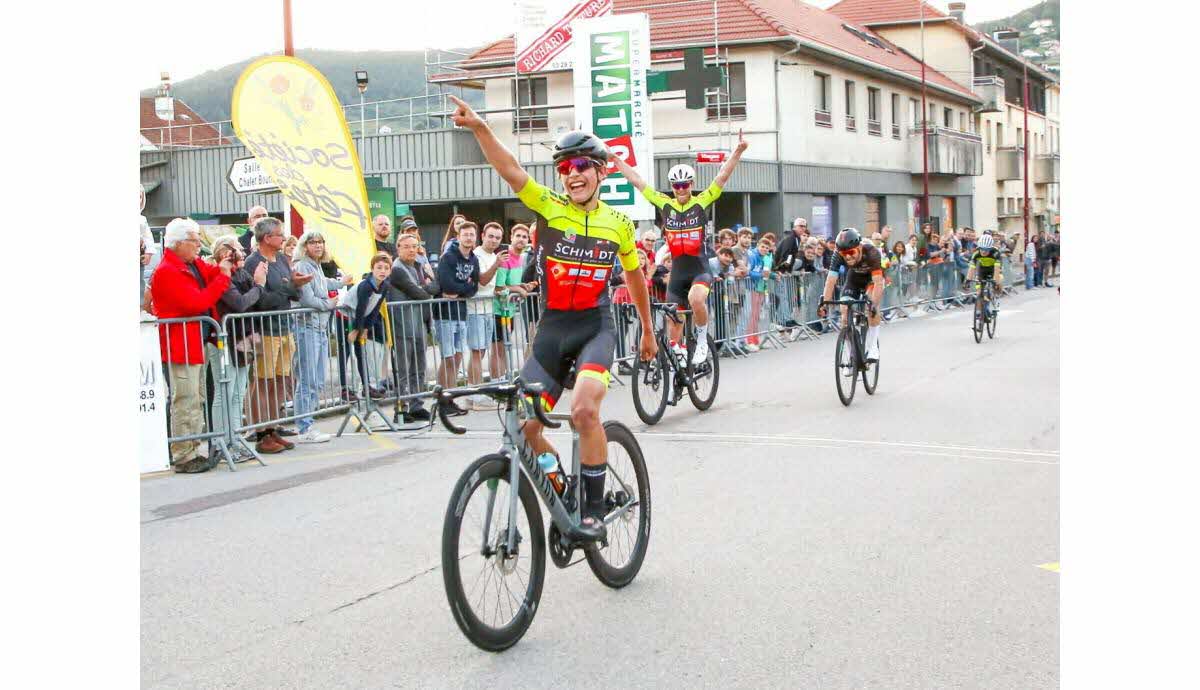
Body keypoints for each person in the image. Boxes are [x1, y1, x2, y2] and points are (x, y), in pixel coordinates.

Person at [450, 95, 655, 541]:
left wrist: (648, 331)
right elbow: (509, 169)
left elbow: (636, 280)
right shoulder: (547, 206)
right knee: (525, 428)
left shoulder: (619, 223)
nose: (573, 174)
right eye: (565, 168)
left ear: (601, 171)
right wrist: (481, 127)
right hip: (553, 330)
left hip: (594, 329)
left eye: (582, 165)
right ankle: (559, 480)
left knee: (583, 410)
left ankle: (594, 511)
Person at [611, 129, 749, 365]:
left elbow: (722, 176)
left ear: (691, 184)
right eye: (677, 185)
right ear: (672, 187)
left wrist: (738, 150)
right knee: (674, 330)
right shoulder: (664, 203)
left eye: (685, 184)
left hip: (699, 268)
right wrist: (615, 160)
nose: (681, 189)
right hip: (677, 273)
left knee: (696, 301)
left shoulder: (701, 201)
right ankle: (679, 367)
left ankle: (703, 339)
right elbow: (637, 181)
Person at [150, 218, 232, 474]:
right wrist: (223, 276)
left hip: (193, 342)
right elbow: (197, 303)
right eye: (195, 241)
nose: (199, 246)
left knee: (196, 399)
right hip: (180, 344)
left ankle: (193, 449)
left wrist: (224, 266)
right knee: (185, 399)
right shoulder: (168, 271)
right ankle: (183, 454)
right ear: (179, 243)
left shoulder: (189, 264)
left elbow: (211, 275)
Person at [242, 218, 312, 455]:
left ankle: (273, 428)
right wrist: (287, 286)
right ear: (266, 238)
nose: (283, 238)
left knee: (281, 381)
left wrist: (293, 284)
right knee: (263, 382)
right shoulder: (253, 262)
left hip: (284, 327)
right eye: (279, 235)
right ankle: (262, 433)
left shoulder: (282, 259)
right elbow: (261, 300)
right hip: (265, 330)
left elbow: (291, 292)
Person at [206, 235, 266, 461]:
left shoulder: (243, 275)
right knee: (225, 392)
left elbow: (258, 300)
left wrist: (258, 287)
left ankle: (235, 438)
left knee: (238, 392)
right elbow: (240, 303)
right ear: (224, 254)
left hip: (247, 336)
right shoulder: (220, 276)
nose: (241, 254)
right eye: (237, 250)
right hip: (224, 338)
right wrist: (258, 286)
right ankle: (222, 442)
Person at [292, 230, 351, 443]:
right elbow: (308, 298)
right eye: (313, 242)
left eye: (320, 242)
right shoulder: (302, 266)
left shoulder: (315, 266)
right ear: (305, 245)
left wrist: (342, 282)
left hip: (320, 326)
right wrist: (330, 304)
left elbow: (324, 283)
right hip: (307, 326)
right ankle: (304, 426)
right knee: (307, 379)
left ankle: (308, 423)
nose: (318, 246)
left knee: (317, 379)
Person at [388, 234, 439, 422]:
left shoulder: (418, 266)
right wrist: (426, 286)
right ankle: (401, 409)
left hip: (419, 325)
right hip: (402, 325)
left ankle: (417, 405)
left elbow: (435, 287)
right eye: (406, 246)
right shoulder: (397, 270)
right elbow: (420, 293)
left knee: (419, 368)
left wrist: (429, 284)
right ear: (398, 248)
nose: (411, 250)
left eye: (414, 246)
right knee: (403, 370)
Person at [435, 220, 481, 415]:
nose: (469, 238)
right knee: (447, 357)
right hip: (444, 314)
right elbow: (447, 285)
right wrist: (464, 287)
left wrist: (461, 291)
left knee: (458, 356)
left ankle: (450, 397)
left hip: (461, 313)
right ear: (459, 236)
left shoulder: (473, 260)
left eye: (472, 234)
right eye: (465, 234)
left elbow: (474, 287)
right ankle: (442, 399)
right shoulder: (448, 257)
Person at [818, 228, 885, 362]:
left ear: (859, 247)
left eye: (851, 252)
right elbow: (830, 280)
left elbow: (878, 283)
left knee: (871, 307)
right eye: (844, 254)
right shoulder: (837, 255)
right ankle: (851, 355)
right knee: (844, 311)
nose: (847, 256)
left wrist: (873, 305)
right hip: (854, 279)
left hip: (872, 280)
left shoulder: (871, 253)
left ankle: (873, 348)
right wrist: (825, 303)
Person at [467, 222, 508, 410]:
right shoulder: (476, 255)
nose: (494, 241)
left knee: (481, 351)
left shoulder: (493, 256)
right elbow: (482, 280)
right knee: (477, 351)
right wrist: (497, 264)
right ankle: (475, 395)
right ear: (482, 235)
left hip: (488, 308)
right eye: (491, 236)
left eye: (498, 238)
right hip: (475, 308)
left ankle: (472, 393)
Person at [346, 254, 395, 402]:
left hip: (362, 319)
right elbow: (361, 308)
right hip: (348, 315)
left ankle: (367, 386)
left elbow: (375, 309)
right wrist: (356, 330)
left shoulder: (385, 286)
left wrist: (366, 328)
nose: (382, 271)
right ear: (372, 269)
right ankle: (357, 387)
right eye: (379, 267)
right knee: (354, 353)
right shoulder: (366, 286)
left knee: (363, 354)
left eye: (386, 268)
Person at [965, 232, 1004, 318]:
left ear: (990, 248)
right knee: (979, 293)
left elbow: (997, 271)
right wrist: (967, 280)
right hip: (982, 271)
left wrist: (995, 282)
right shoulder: (976, 254)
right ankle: (980, 311)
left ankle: (996, 299)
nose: (983, 251)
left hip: (994, 269)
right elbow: (971, 269)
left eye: (986, 249)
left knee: (998, 282)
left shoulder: (996, 253)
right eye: (982, 249)